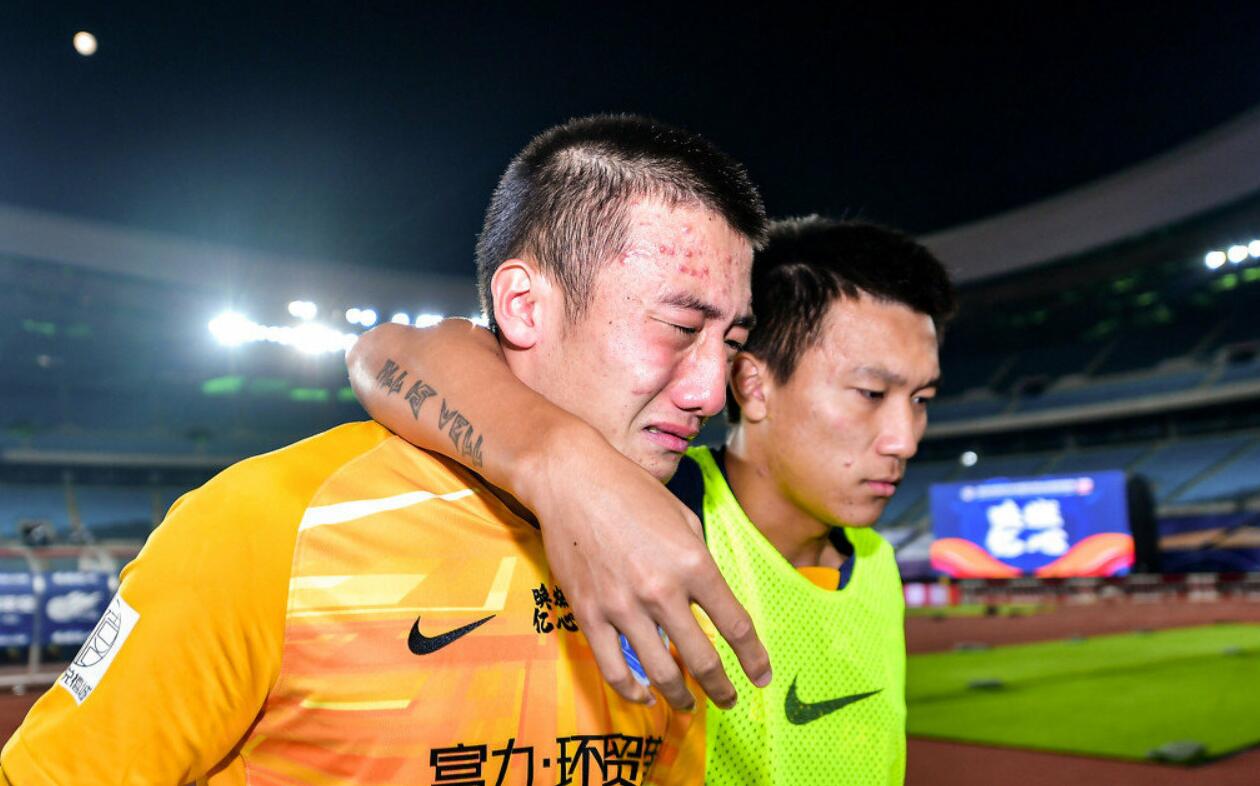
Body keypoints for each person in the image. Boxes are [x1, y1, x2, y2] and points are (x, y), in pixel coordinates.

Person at [0, 114, 771, 786]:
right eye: (679, 327)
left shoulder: (673, 556)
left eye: (732, 341)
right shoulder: (267, 526)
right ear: (524, 306)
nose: (711, 391)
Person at [348, 217, 957, 784]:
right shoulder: (641, 508)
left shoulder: (876, 563)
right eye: (870, 393)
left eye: (921, 400)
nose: (904, 439)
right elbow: (387, 352)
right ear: (753, 385)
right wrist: (562, 462)